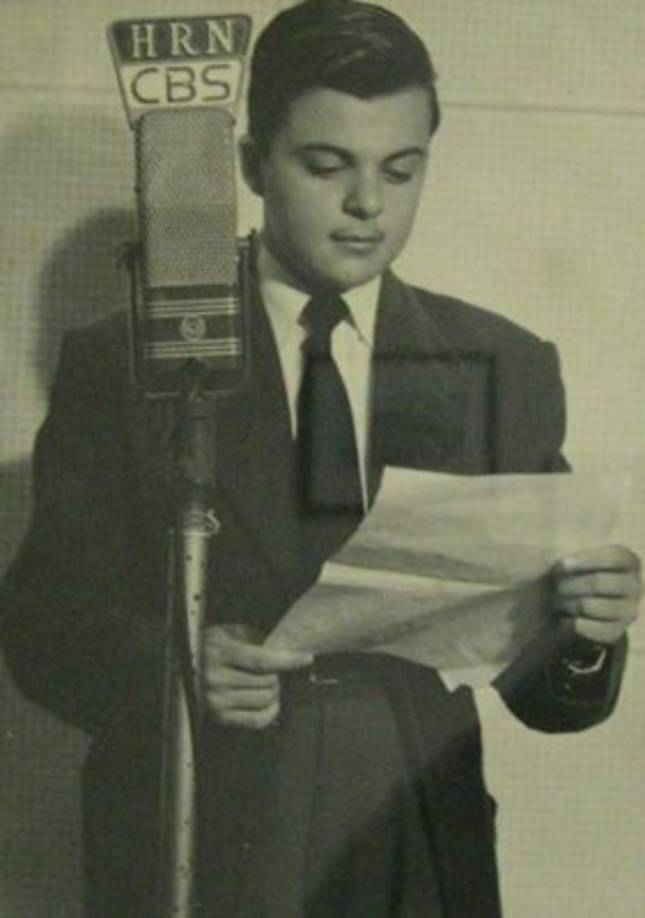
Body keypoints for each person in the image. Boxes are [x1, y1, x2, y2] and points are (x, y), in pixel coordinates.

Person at [1, 1, 641, 916]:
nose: (367, 206)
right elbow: (42, 626)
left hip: (414, 826)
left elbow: (548, 697)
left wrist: (586, 630)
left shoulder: (501, 364)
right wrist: (176, 666)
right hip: (207, 831)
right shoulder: (128, 360)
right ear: (254, 165)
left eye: (400, 170)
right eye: (326, 165)